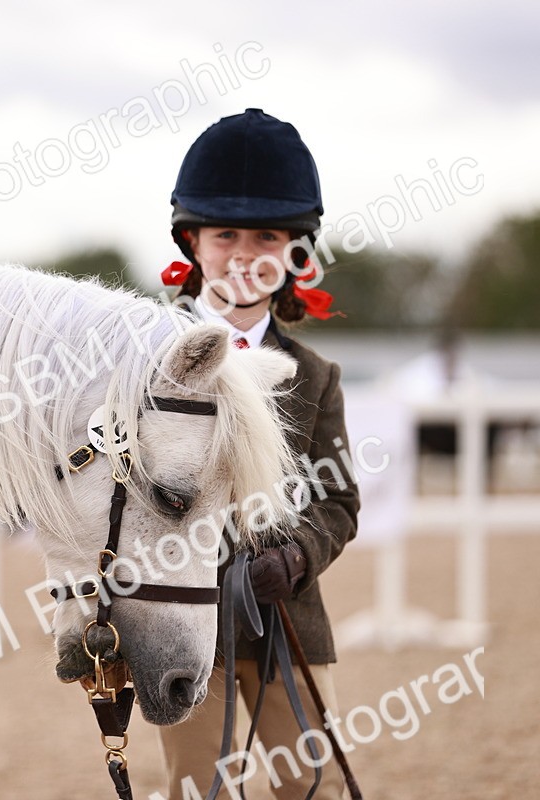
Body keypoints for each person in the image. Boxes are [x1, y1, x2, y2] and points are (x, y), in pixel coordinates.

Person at [155, 109, 360, 800]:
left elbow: (338, 500)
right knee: (196, 789)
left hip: (286, 614)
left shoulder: (316, 374)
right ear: (194, 241)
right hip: (182, 624)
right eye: (226, 235)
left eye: (267, 236)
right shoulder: (146, 363)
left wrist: (296, 555)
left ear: (296, 252)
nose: (245, 253)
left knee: (312, 785)